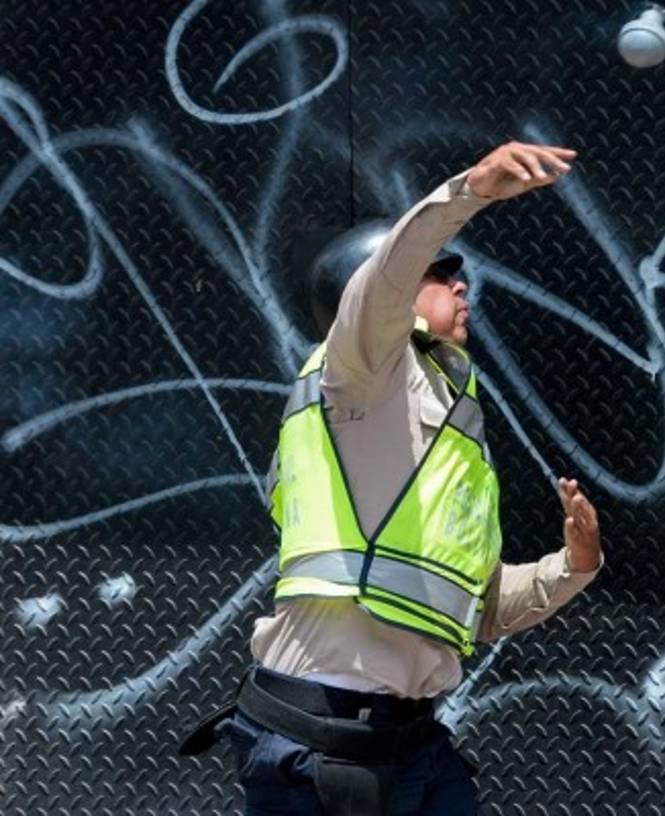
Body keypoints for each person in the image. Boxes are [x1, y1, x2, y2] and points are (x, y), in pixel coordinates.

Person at [180, 142, 602, 815]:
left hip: (411, 743)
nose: (461, 285)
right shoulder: (361, 370)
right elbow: (383, 282)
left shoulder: (446, 421)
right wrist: (471, 190)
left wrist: (573, 566)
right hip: (321, 743)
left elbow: (480, 610)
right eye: (440, 274)